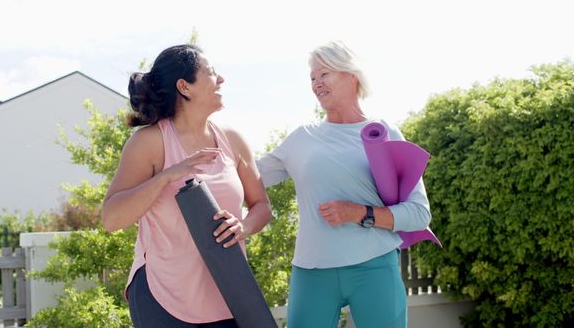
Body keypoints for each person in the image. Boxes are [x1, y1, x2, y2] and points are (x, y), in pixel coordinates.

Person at [257, 40, 431, 328]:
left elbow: (419, 214)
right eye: (312, 78)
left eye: (324, 74)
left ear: (352, 75)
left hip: (374, 266)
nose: (316, 83)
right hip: (312, 271)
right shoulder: (302, 138)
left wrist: (358, 213)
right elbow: (247, 176)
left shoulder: (384, 133)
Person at [102, 44, 272, 328]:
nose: (221, 80)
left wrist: (245, 227)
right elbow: (111, 218)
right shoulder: (149, 142)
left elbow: (262, 206)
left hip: (228, 294)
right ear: (185, 87)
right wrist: (168, 175)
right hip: (162, 296)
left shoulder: (233, 139)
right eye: (212, 73)